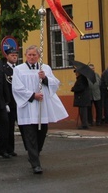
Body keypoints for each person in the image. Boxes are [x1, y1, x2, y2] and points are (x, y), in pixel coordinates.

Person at [12, 44, 69, 174]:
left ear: (38, 56)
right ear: (26, 55)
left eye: (34, 55)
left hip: (42, 108)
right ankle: (35, 164)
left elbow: (55, 84)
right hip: (28, 106)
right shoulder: (19, 69)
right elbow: (16, 88)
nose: (32, 57)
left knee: (41, 134)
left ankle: (34, 154)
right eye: (29, 55)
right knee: (30, 135)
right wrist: (33, 95)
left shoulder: (45, 68)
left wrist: (45, 78)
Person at [3, 47, 19, 156]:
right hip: (10, 101)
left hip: (20, 101)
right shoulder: (4, 69)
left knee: (24, 126)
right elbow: (4, 87)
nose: (14, 57)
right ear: (7, 56)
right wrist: (5, 102)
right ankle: (9, 149)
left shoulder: (19, 69)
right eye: (12, 55)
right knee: (9, 127)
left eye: (16, 55)